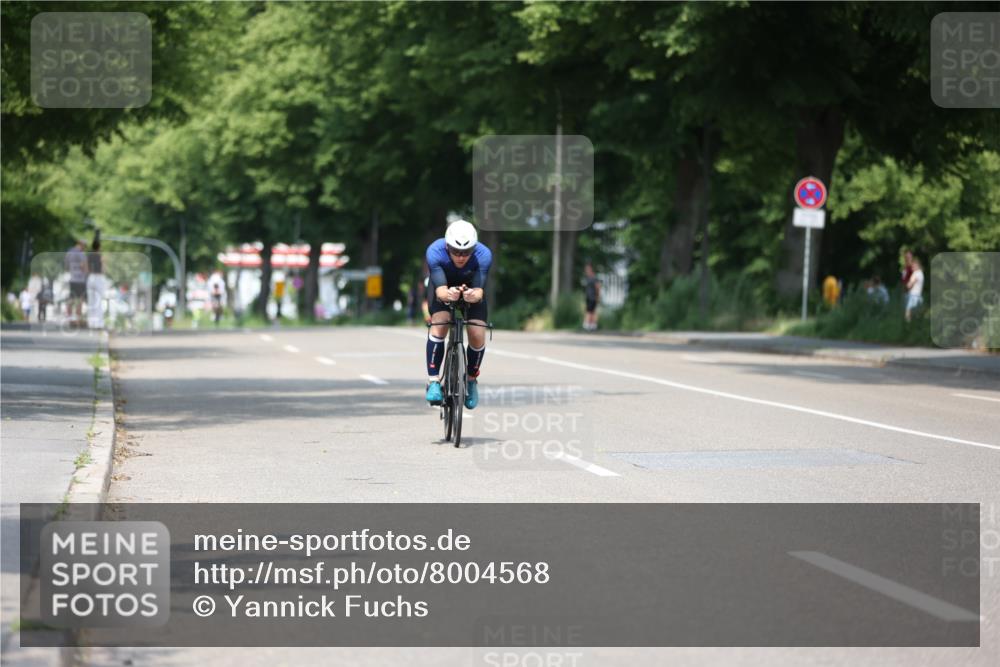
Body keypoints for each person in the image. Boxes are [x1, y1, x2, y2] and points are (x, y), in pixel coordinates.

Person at [423, 219, 492, 409]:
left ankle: (471, 380)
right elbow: (440, 292)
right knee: (441, 323)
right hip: (443, 286)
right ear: (447, 246)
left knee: (477, 332)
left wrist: (472, 295)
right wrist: (448, 294)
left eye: (466, 252)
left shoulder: (483, 254)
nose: (461, 257)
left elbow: (479, 291)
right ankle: (434, 381)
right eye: (455, 251)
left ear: (474, 248)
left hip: (471, 289)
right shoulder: (435, 251)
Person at [64, 238, 89, 325]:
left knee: (71, 298)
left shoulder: (69, 252)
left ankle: (70, 318)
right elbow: (83, 266)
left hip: (72, 278)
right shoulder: (81, 253)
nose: (84, 248)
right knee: (80, 299)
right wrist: (86, 273)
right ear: (81, 244)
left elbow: (66, 266)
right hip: (80, 279)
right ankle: (78, 319)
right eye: (84, 246)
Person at [86, 235, 105, 329]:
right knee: (99, 300)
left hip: (91, 278)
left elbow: (87, 268)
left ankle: (91, 322)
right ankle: (99, 323)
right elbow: (103, 268)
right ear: (99, 247)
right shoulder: (100, 256)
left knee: (91, 301)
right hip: (98, 278)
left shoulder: (89, 256)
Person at [582, 262, 601, 331]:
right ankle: (591, 325)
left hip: (593, 297)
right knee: (590, 311)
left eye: (588, 269)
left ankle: (588, 325)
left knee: (590, 311)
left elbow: (598, 287)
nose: (586, 270)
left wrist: (598, 296)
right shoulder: (587, 278)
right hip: (588, 297)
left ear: (591, 269)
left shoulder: (594, 277)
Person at [905, 257, 924, 322]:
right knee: (916, 316)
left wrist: (907, 285)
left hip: (913, 296)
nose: (912, 267)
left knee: (908, 313)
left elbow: (910, 285)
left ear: (916, 265)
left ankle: (909, 327)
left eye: (913, 266)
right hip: (919, 296)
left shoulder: (916, 273)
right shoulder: (921, 273)